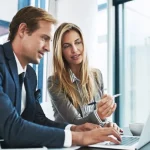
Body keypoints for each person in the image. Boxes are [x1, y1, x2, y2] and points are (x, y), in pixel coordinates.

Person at [0, 6, 121, 148]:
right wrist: (78, 137)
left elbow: (38, 120)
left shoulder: (30, 76)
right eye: (44, 38)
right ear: (23, 30)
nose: (48, 48)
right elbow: (12, 128)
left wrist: (74, 129)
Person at [48, 22, 123, 132]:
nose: (74, 49)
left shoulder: (97, 75)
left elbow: (99, 119)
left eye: (78, 42)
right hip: (71, 144)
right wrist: (99, 115)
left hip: (93, 140)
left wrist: (107, 123)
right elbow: (76, 123)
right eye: (67, 46)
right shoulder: (54, 82)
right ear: (60, 51)